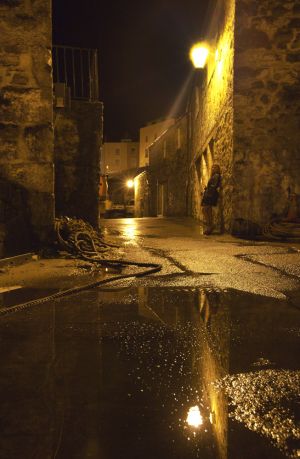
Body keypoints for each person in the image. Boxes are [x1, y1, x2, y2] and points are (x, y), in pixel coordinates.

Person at [201, 164, 221, 235]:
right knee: (207, 210)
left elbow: (214, 186)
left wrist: (208, 190)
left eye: (215, 167)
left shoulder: (216, 176)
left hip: (210, 195)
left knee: (205, 209)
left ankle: (210, 226)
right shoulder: (213, 176)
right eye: (212, 167)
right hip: (209, 194)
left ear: (217, 169)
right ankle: (210, 226)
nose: (213, 168)